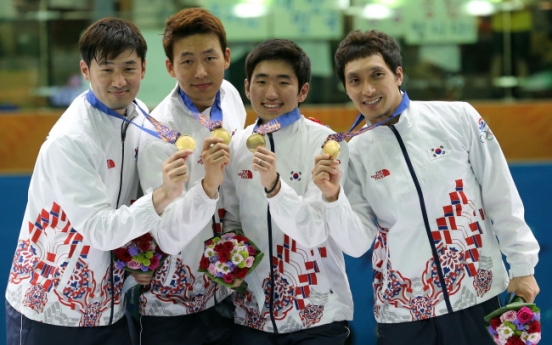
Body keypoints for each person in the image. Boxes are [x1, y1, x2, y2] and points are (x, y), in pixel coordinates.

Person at [314, 29, 540, 345]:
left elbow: (500, 195)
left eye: (377, 75)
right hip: (403, 313)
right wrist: (332, 197)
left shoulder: (458, 117)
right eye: (354, 80)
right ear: (346, 88)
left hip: (476, 295)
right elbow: (356, 244)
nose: (367, 89)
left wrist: (522, 265)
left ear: (398, 74)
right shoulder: (351, 152)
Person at [5, 17, 221, 345]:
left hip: (112, 308)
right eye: (106, 69)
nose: (119, 81)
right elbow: (100, 229)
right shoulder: (71, 139)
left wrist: (138, 256)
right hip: (50, 309)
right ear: (85, 70)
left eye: (128, 68)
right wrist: (164, 195)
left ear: (144, 69)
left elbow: (128, 206)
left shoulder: (140, 118)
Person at [220, 39, 352, 345]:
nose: (270, 93)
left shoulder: (326, 144)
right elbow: (232, 220)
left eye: (283, 82)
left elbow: (316, 230)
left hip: (316, 314)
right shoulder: (236, 146)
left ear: (303, 91)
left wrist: (274, 186)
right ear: (247, 86)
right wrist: (228, 265)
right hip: (251, 317)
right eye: (262, 81)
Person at [130, 8, 247, 345]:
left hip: (226, 289)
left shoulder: (230, 96)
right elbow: (167, 236)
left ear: (226, 57)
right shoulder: (159, 133)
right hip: (171, 306)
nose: (200, 71)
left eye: (210, 57)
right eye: (186, 61)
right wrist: (207, 186)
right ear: (169, 67)